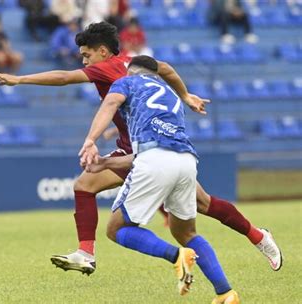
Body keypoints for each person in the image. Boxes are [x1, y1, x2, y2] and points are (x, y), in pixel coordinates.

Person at [0, 21, 282, 275]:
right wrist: (185, 95)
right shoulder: (135, 62)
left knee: (199, 207)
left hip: (151, 152)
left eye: (86, 55)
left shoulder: (105, 68)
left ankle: (257, 235)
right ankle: (86, 253)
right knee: (86, 185)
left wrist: (20, 79)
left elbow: (64, 77)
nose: (85, 61)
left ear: (102, 51)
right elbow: (165, 68)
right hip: (133, 149)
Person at [79, 55, 240, 303]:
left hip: (154, 161)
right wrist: (106, 162)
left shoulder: (127, 83)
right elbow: (152, 149)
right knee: (187, 232)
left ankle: (177, 256)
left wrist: (91, 140)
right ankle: (225, 293)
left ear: (131, 72)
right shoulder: (170, 96)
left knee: (117, 229)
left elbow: (111, 104)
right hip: (186, 162)